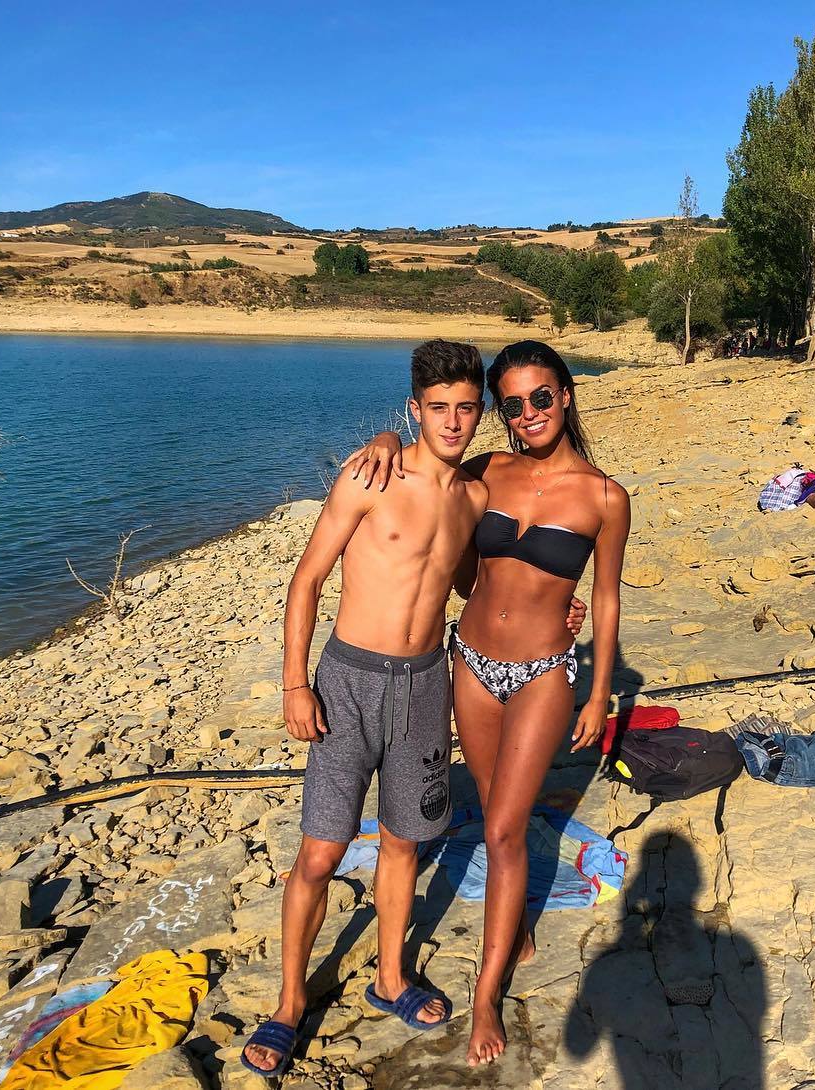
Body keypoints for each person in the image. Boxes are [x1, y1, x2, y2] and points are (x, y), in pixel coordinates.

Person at [241, 341, 584, 1078]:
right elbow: (307, 579)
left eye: (466, 408)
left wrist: (557, 607)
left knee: (403, 843)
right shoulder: (370, 476)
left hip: (427, 682)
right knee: (321, 853)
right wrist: (295, 684)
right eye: (437, 408)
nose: (453, 422)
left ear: (481, 412)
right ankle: (289, 1004)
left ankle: (391, 977)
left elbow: (474, 585)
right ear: (413, 410)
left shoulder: (475, 498)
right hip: (349, 681)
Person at [345, 340, 630, 1068]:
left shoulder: (604, 497)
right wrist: (385, 439)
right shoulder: (487, 471)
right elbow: (430, 474)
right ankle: (514, 920)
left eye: (542, 397)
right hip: (469, 663)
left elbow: (604, 597)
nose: (528, 412)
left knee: (502, 830)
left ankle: (484, 997)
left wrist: (599, 692)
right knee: (495, 797)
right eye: (512, 404)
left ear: (567, 395)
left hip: (542, 672)